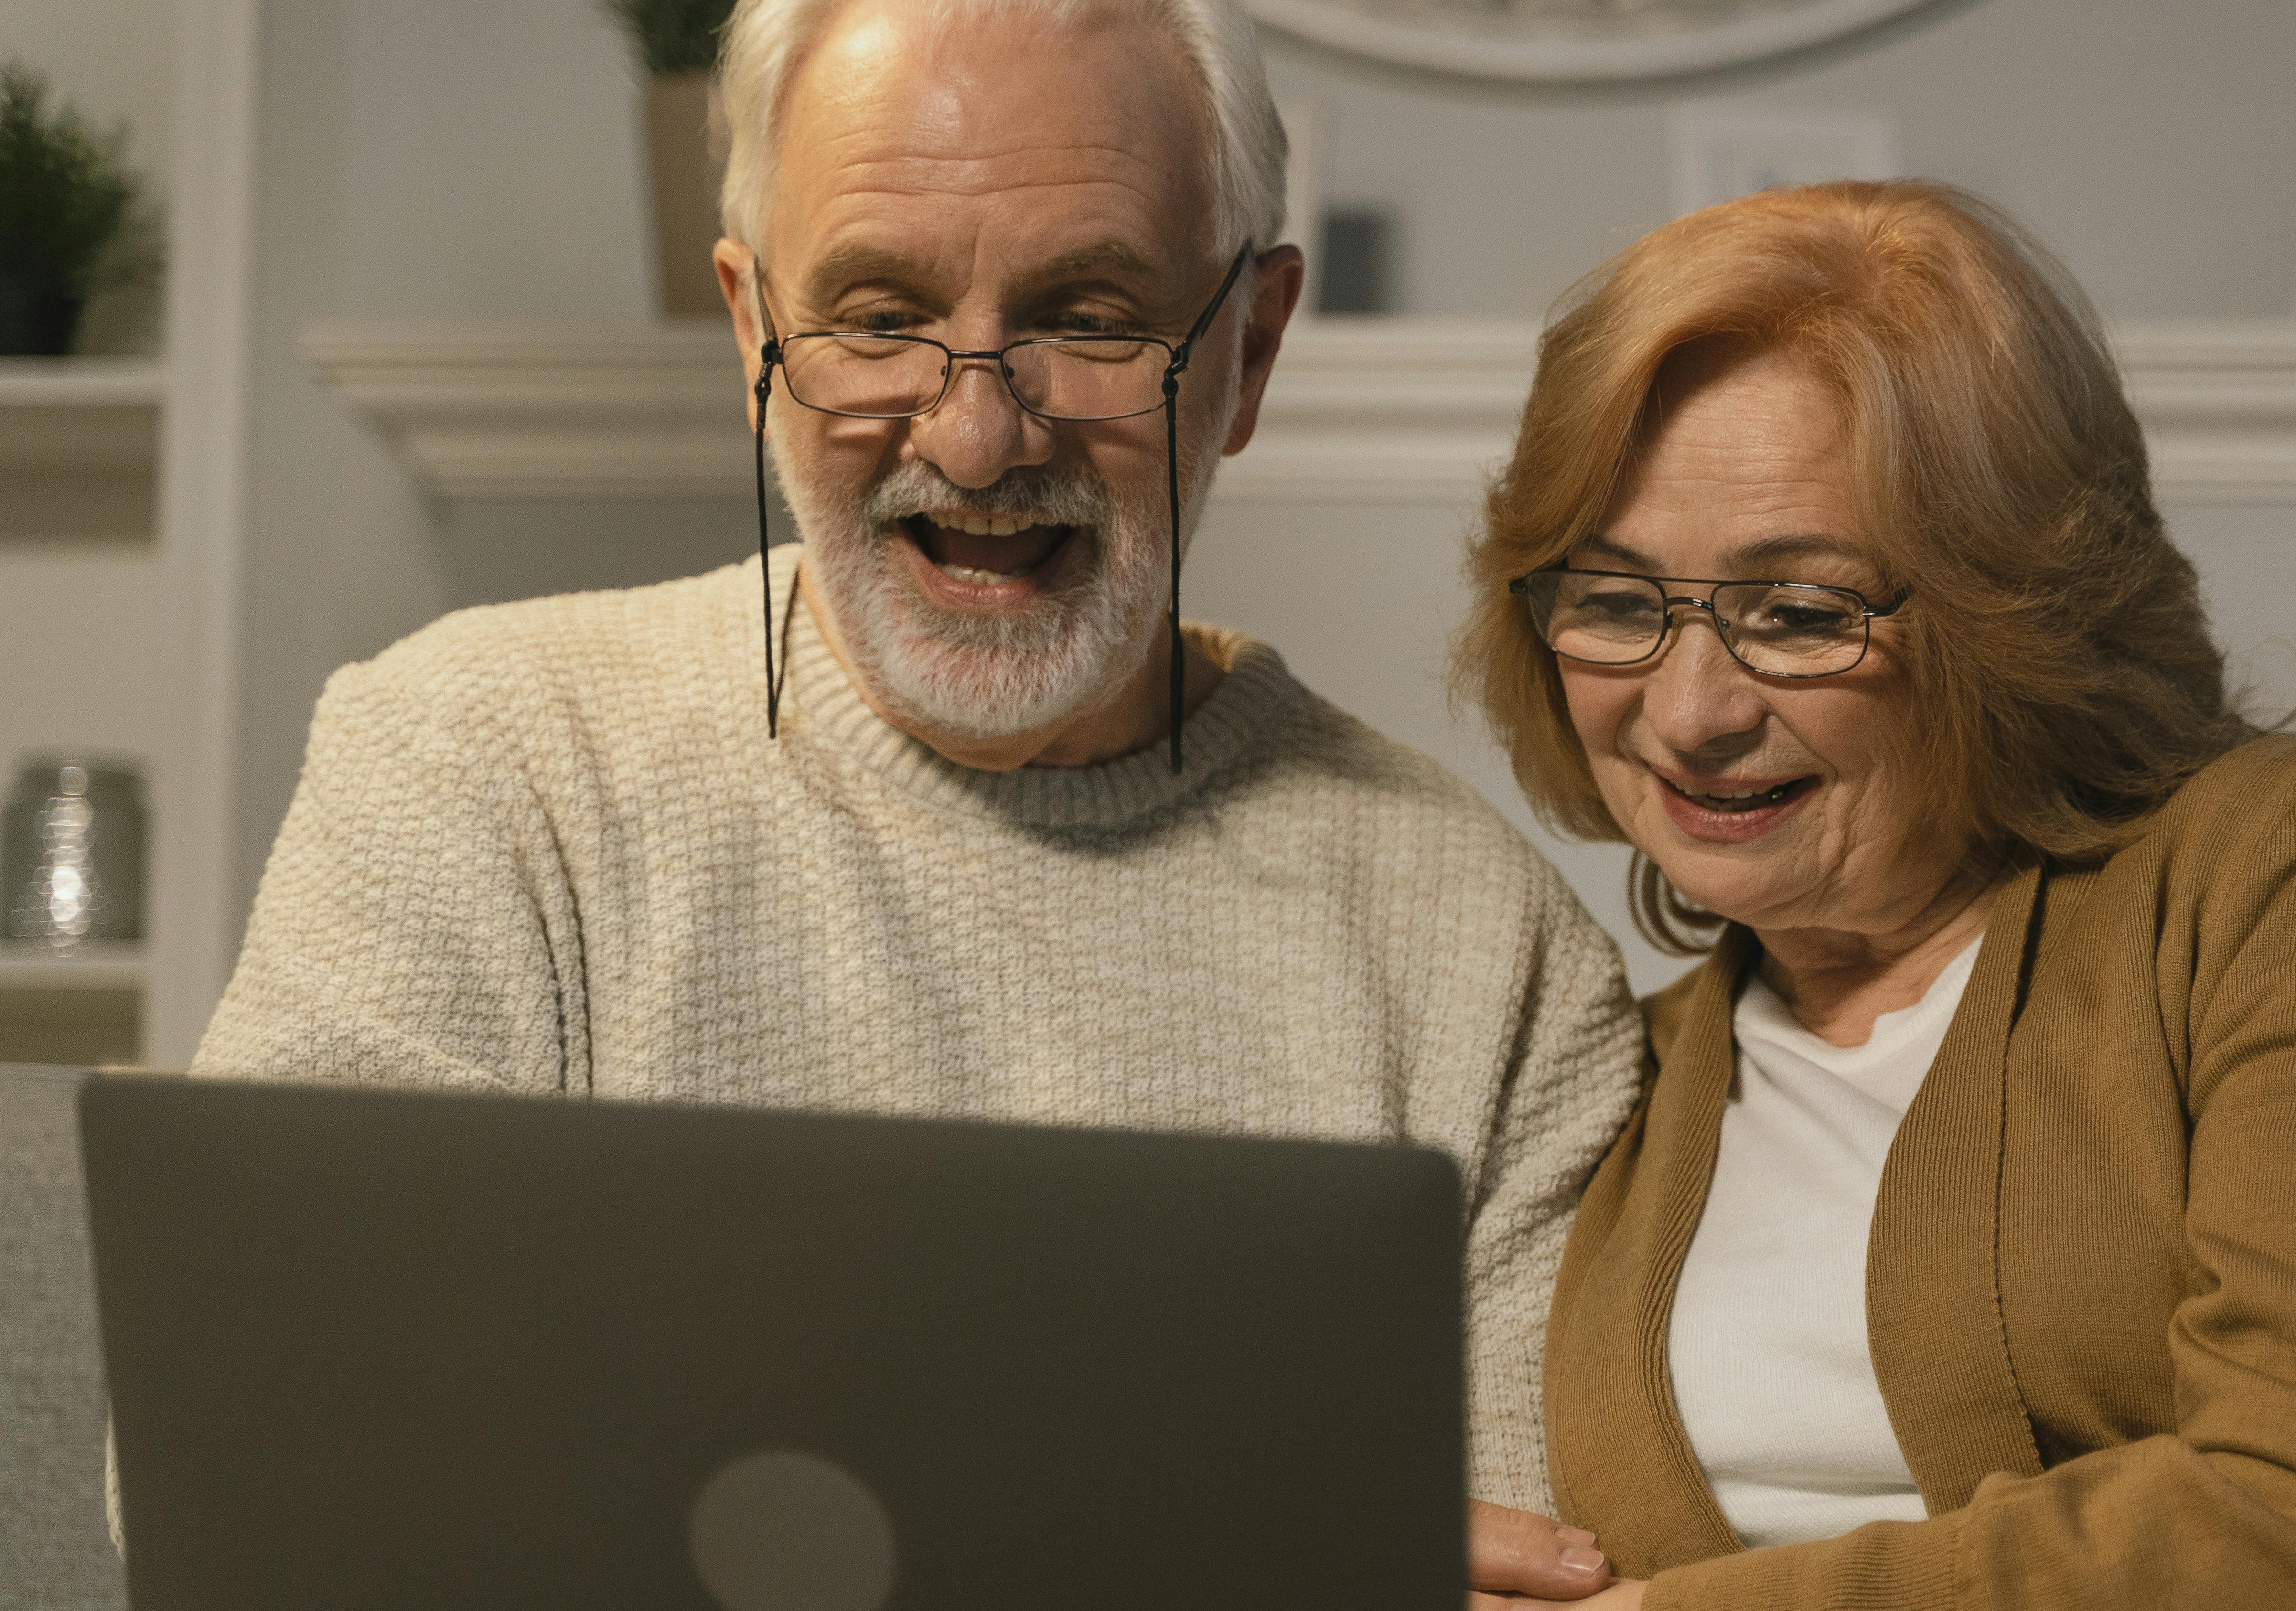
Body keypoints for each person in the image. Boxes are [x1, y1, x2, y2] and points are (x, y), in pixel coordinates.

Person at [189, 0, 1637, 1591]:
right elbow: (262, 1498)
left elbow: (1529, 1583)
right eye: (877, 315)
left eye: (1090, 316)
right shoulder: (472, 768)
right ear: (753, 337)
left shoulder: (1481, 950)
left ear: (1251, 350)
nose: (974, 429)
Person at [1455, 181, 2296, 1610]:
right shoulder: (1603, 1085)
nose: (1691, 710)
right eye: (1619, 601)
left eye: (1801, 613)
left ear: (2008, 614)